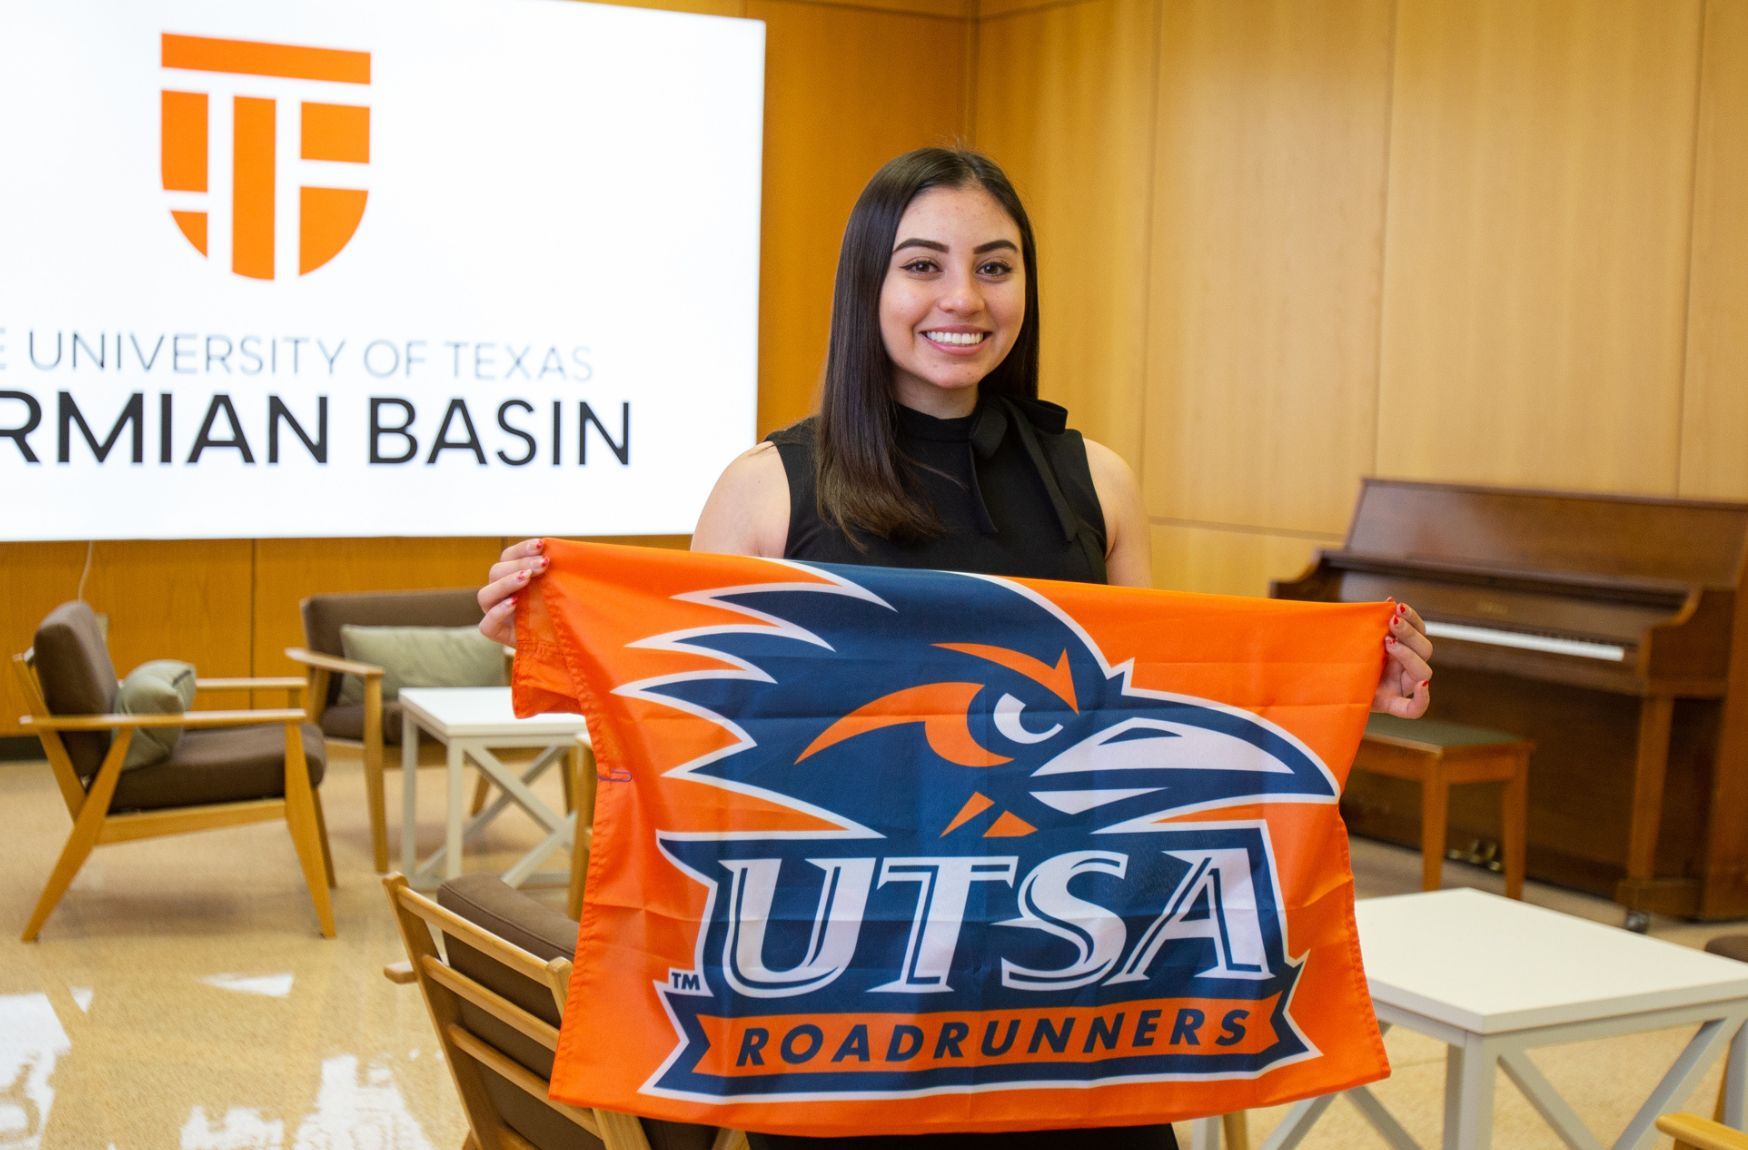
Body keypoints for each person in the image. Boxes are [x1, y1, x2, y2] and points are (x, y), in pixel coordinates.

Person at [478, 146, 1433, 1148]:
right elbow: (682, 747)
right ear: (869, 284)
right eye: (923, 265)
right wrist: (554, 635)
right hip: (841, 1027)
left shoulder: (1097, 482)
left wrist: (1346, 676)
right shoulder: (766, 489)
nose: (964, 298)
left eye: (994, 266)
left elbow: (1159, 688)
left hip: (1068, 1010)